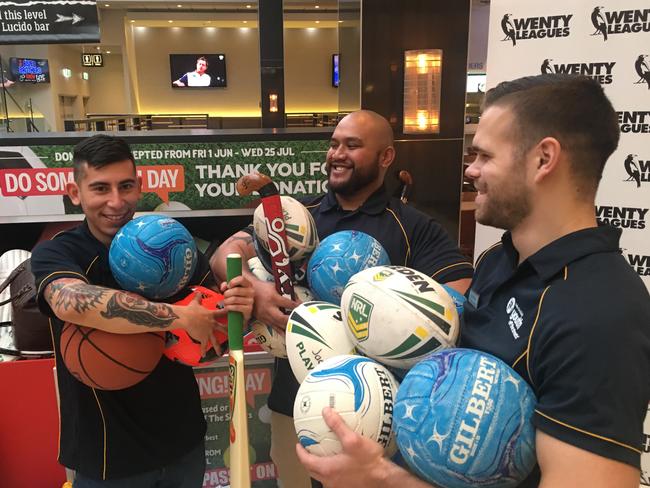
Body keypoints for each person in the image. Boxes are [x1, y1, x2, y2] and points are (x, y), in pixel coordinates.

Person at [296, 75, 650, 487]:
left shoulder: (601, 313)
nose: (471, 170)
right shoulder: (500, 259)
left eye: (484, 155)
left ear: (543, 159)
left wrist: (382, 480)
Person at [211, 109, 474, 488]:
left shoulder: (412, 224)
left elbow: (459, 285)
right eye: (334, 144)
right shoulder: (300, 214)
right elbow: (225, 254)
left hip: (377, 415)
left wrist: (394, 324)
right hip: (296, 406)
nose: (337, 154)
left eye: (352, 145)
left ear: (386, 157)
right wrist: (255, 287)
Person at [31, 134, 254, 486]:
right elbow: (70, 302)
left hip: (183, 444)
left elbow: (213, 334)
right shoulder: (58, 252)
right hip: (107, 455)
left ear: (141, 186)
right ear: (76, 194)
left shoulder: (170, 243)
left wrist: (237, 309)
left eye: (126, 186)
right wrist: (179, 317)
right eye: (100, 188)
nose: (116, 202)